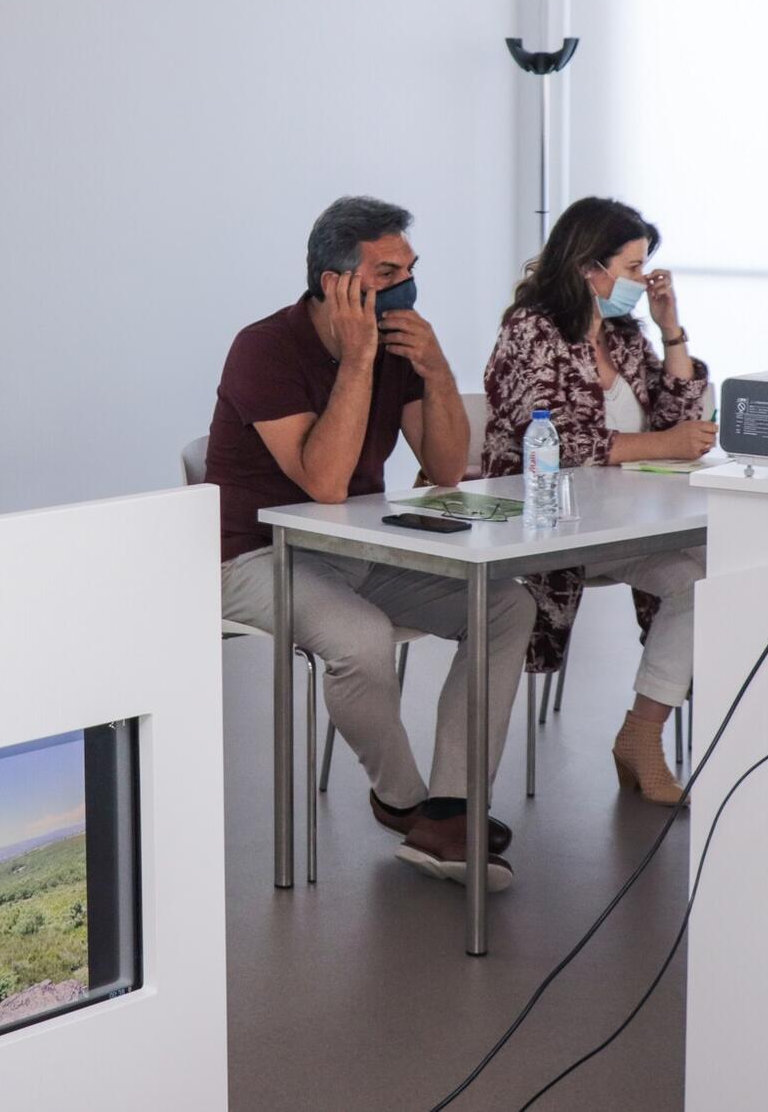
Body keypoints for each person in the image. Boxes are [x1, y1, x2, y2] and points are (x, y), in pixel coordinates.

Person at [206, 196, 540, 889]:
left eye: (410, 268)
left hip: (356, 549)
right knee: (359, 638)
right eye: (387, 271)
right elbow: (324, 482)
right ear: (335, 282)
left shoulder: (397, 348)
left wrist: (439, 370)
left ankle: (451, 804)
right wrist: (358, 362)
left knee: (506, 605)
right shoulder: (263, 348)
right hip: (255, 556)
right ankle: (404, 800)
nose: (406, 284)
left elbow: (447, 467)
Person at [480, 197, 714, 805]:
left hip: (618, 527)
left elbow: (680, 420)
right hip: (545, 534)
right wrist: (663, 441)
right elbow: (562, 440)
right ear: (590, 268)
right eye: (634, 269)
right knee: (697, 577)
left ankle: (641, 732)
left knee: (707, 578)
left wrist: (671, 329)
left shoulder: (624, 334)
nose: (643, 282)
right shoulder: (530, 330)